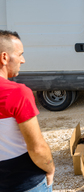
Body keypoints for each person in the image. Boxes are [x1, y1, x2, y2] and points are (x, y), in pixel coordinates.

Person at [0, 30, 55, 192]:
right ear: (4, 57)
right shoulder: (17, 93)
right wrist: (50, 168)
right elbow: (37, 148)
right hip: (24, 182)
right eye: (20, 54)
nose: (23, 60)